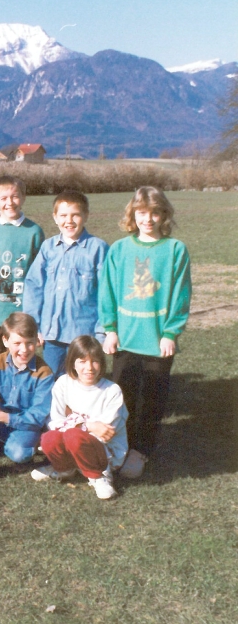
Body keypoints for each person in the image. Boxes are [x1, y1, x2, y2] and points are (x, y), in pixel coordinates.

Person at [99, 186, 191, 479]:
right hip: (125, 340)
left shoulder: (175, 250)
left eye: (154, 213)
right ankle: (120, 446)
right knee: (121, 397)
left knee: (152, 398)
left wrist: (170, 333)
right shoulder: (120, 249)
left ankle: (141, 450)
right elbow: (107, 291)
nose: (147, 219)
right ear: (132, 214)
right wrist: (110, 330)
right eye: (141, 212)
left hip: (157, 341)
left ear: (164, 215)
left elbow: (180, 295)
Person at [23, 190, 109, 378]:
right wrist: (34, 326)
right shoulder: (48, 248)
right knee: (53, 380)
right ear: (55, 217)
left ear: (86, 215)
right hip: (52, 334)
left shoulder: (98, 248)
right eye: (63, 215)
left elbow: (107, 294)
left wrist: (102, 331)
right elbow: (33, 287)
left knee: (84, 380)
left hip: (84, 335)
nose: (69, 221)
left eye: (75, 215)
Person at [31, 336, 128, 500]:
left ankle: (99, 476)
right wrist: (87, 425)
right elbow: (54, 422)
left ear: (102, 363)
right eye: (82, 361)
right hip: (74, 441)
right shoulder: (63, 383)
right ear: (72, 363)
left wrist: (77, 428)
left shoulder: (112, 390)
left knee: (73, 435)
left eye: (95, 361)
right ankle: (65, 469)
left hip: (104, 452)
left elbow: (104, 432)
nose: (89, 368)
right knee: (49, 438)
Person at [0, 312, 54, 485]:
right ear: (5, 341)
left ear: (36, 341)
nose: (24, 350)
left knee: (19, 454)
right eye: (17, 343)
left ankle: (5, 443)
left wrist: (2, 416)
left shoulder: (44, 373)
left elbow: (37, 417)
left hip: (25, 425)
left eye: (29, 343)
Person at [0, 176, 44, 361]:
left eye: (15, 196)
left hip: (20, 311)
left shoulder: (34, 231)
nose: (10, 202)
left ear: (23, 198)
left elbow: (37, 271)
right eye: (3, 198)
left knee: (20, 361)